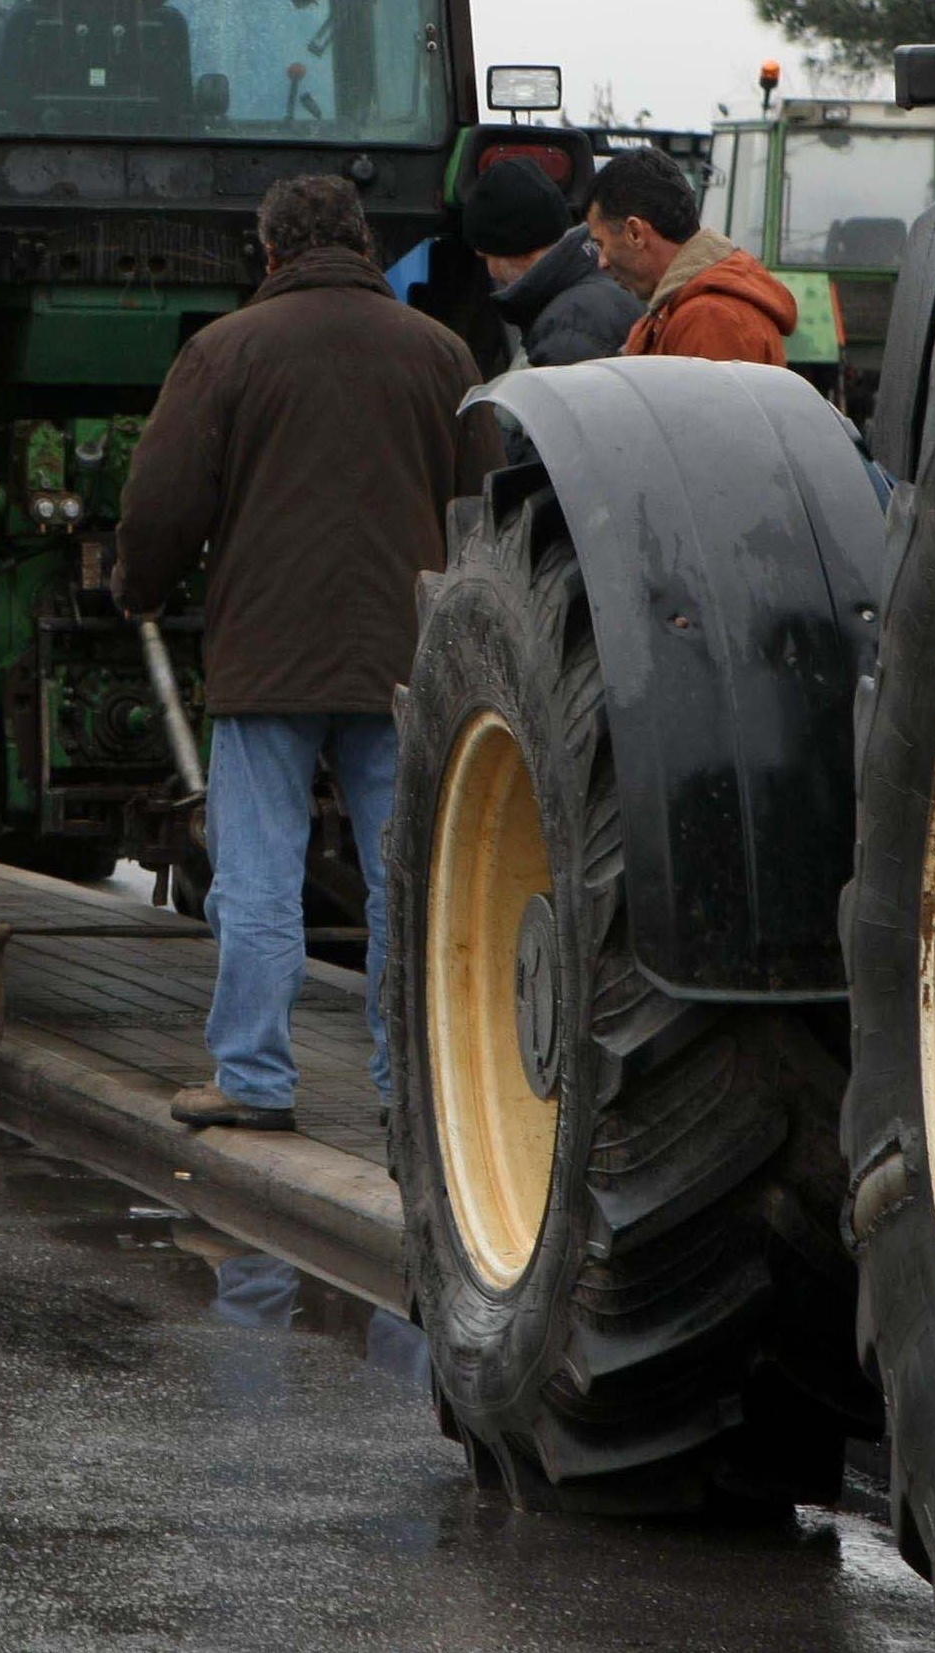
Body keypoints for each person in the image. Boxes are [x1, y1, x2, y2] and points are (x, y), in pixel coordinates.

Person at [116, 173, 480, 1134]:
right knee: (406, 877)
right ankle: (411, 1086)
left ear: (268, 252)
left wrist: (138, 587)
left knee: (258, 876)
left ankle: (252, 1080)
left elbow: (160, 503)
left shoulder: (224, 350)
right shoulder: (441, 352)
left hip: (266, 654)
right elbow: (481, 498)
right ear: (365, 244)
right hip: (409, 650)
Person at [591, 145, 797, 363]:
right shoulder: (686, 311)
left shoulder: (710, 320)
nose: (602, 262)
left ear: (635, 233)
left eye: (601, 244)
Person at [460, 158, 640, 367]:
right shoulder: (600, 284)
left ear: (512, 249)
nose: (491, 272)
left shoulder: (569, 323)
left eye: (486, 257)